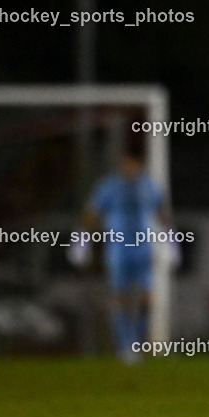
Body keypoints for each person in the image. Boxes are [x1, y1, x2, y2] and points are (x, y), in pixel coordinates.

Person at [78, 147, 171, 363]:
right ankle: (125, 346)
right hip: (118, 249)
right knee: (120, 298)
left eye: (131, 163)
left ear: (138, 165)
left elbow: (161, 214)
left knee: (147, 298)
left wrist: (171, 242)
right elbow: (92, 214)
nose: (128, 168)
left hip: (143, 249)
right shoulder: (108, 187)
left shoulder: (149, 186)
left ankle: (136, 342)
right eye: (124, 163)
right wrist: (81, 241)